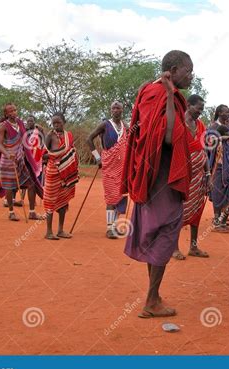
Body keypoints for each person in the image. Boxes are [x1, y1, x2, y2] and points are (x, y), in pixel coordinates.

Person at [122, 50, 193, 318]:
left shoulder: (152, 92)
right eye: (188, 70)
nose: (191, 76)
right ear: (173, 70)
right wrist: (169, 99)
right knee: (165, 235)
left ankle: (154, 295)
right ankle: (151, 300)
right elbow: (166, 137)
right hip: (163, 179)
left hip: (152, 178)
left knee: (154, 235)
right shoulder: (161, 94)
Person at [172, 94, 211, 260]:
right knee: (178, 211)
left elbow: (203, 151)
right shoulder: (178, 123)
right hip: (182, 176)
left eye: (202, 109)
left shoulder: (201, 125)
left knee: (197, 210)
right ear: (188, 105)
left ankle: (193, 247)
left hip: (199, 176)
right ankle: (173, 248)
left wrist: (208, 173)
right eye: (198, 108)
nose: (200, 112)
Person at [87, 101, 128, 239]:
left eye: (118, 108)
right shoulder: (105, 125)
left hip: (122, 166)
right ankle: (109, 228)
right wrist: (97, 157)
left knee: (120, 196)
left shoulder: (125, 126)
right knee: (111, 196)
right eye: (113, 108)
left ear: (122, 110)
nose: (116, 110)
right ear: (111, 111)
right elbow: (89, 139)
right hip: (109, 165)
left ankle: (115, 227)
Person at [0, 103, 44, 221]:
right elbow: (0, 144)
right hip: (8, 160)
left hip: (20, 160)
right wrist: (8, 154)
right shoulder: (3, 126)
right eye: (10, 111)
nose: (13, 112)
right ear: (6, 114)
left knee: (31, 184)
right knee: (9, 186)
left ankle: (32, 212)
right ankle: (11, 212)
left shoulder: (20, 123)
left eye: (15, 110)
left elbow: (25, 137)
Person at [43, 112, 79, 240]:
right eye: (54, 123)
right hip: (53, 171)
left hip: (66, 174)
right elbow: (43, 154)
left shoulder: (69, 135)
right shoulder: (50, 135)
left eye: (58, 122)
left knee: (64, 201)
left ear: (64, 122)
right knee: (50, 200)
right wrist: (54, 156)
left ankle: (60, 230)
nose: (56, 125)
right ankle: (48, 232)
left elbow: (72, 152)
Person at [209, 124, 229, 233]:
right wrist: (221, 138)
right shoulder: (216, 143)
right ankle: (216, 224)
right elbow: (211, 142)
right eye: (227, 134)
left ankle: (223, 223)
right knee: (217, 199)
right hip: (218, 173)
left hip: (228, 174)